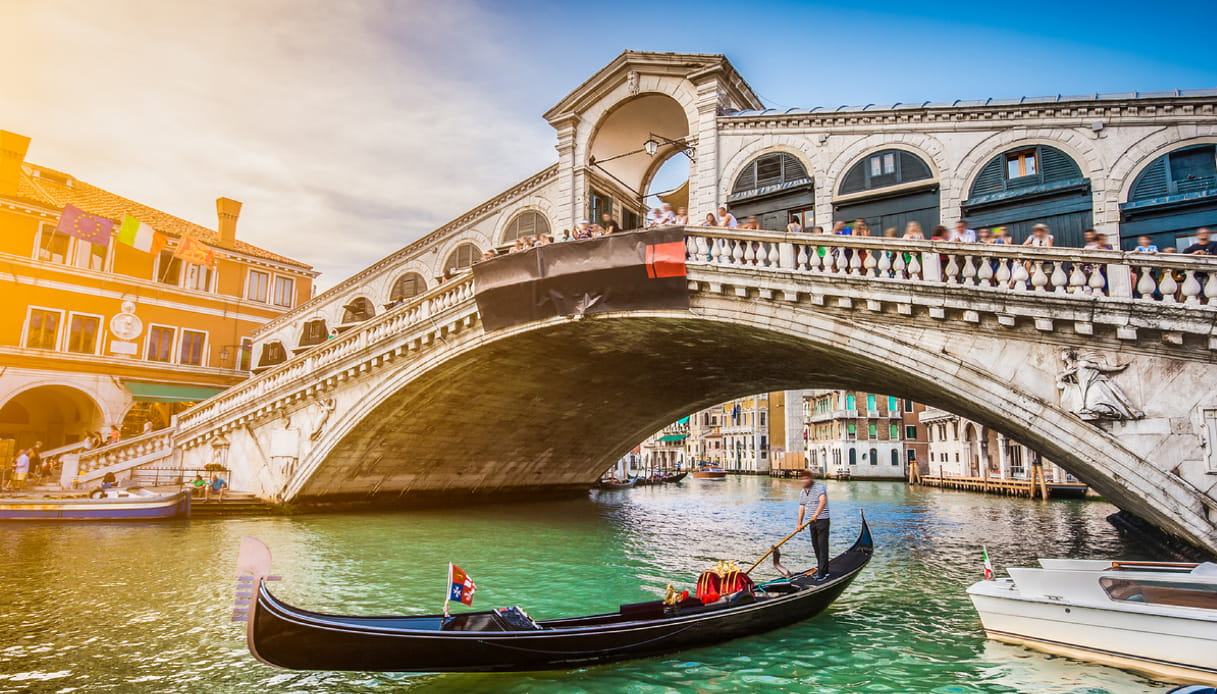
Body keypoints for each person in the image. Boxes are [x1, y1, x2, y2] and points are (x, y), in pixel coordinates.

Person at [796, 470, 830, 581]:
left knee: (822, 546)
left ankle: (822, 572)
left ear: (810, 479)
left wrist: (816, 513)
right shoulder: (803, 492)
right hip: (812, 522)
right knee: (816, 546)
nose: (804, 480)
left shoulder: (819, 487)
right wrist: (799, 524)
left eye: (806, 478)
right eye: (802, 479)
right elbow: (802, 508)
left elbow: (823, 501)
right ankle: (822, 568)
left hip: (822, 520)